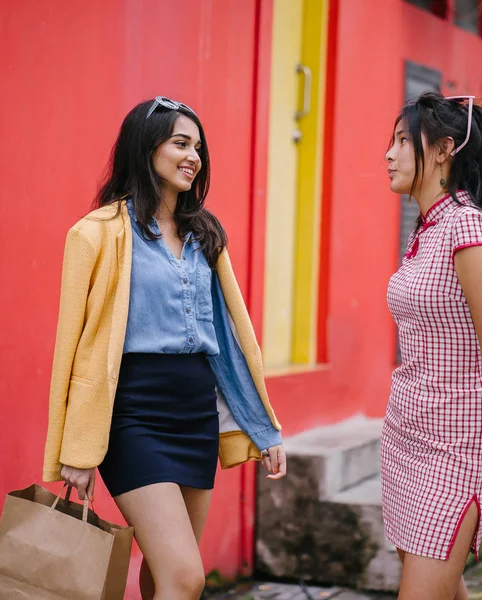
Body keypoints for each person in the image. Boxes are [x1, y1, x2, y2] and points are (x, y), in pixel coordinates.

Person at [42, 96, 286, 600]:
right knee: (186, 577)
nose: (193, 155)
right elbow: (72, 348)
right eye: (180, 142)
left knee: (164, 573)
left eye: (198, 146)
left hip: (194, 418)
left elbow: (231, 343)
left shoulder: (204, 235)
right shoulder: (95, 235)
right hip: (133, 418)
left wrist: (261, 425)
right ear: (145, 146)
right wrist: (76, 448)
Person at [382, 92, 482, 600]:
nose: (390, 154)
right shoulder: (429, 228)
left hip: (452, 449)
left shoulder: (467, 227)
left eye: (403, 140)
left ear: (444, 149)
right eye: (392, 142)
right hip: (404, 436)